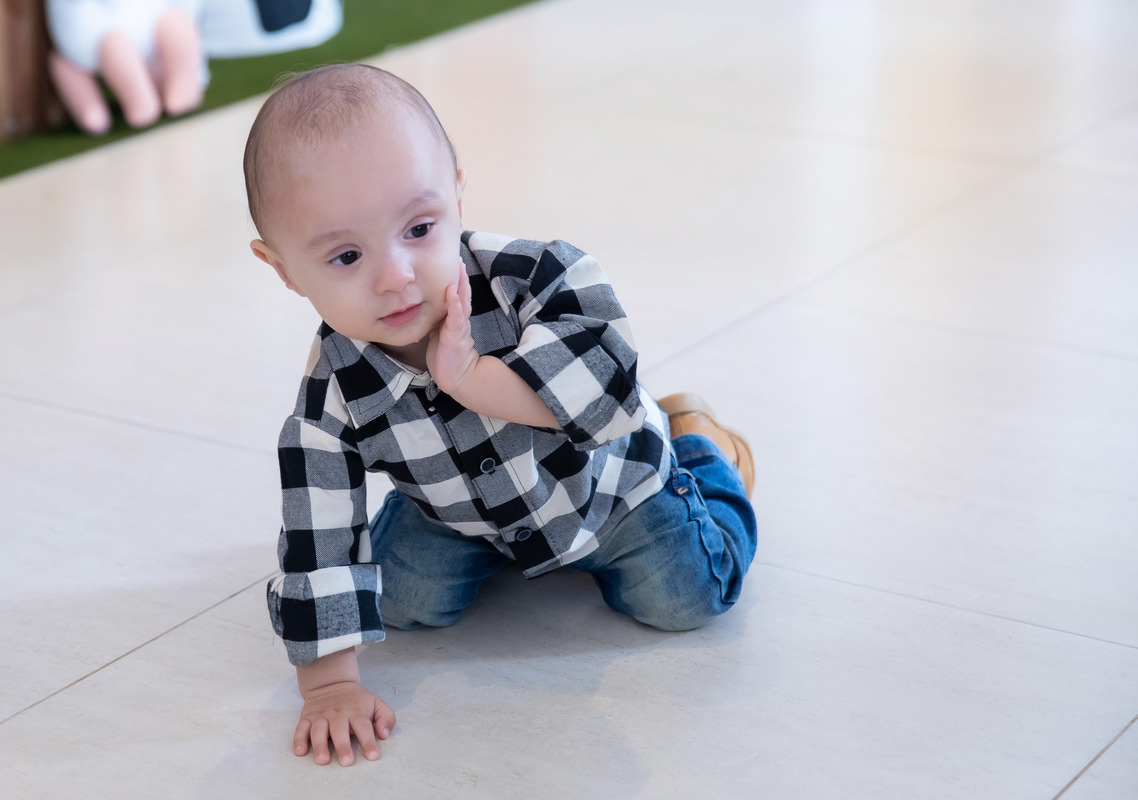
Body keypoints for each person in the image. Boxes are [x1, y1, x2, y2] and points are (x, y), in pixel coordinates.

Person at [244, 63, 757, 768]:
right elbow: (318, 533)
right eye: (347, 255)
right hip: (461, 517)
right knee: (400, 601)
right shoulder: (327, 399)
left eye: (419, 228)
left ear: (456, 191)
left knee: (687, 597)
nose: (395, 276)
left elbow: (606, 390)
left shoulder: (537, 275)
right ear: (282, 269)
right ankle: (474, 542)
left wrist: (474, 380)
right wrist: (330, 685)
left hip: (612, 491)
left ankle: (702, 447)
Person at [46, 0, 206, 135]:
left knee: (176, 25)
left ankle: (178, 87)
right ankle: (132, 104)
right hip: (100, 43)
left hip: (140, 31)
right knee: (110, 48)